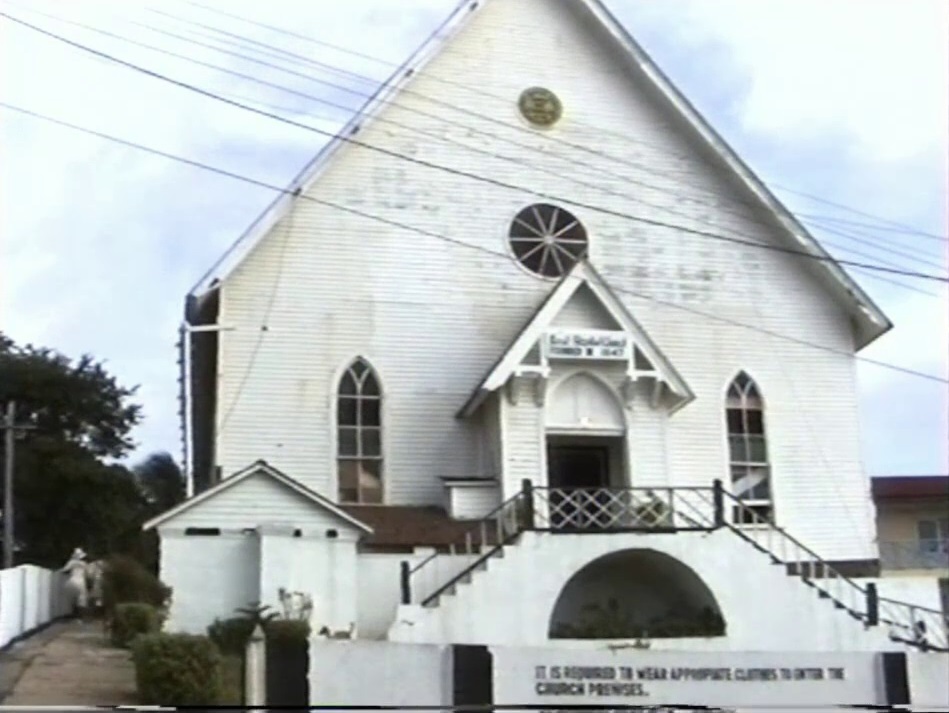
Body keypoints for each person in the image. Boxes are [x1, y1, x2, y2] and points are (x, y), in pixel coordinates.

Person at [60, 548, 89, 620]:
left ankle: (69, 615)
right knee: (82, 599)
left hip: (72, 580)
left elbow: (64, 570)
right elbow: (87, 573)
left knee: (69, 598)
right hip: (81, 582)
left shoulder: (72, 562)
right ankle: (81, 617)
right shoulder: (84, 564)